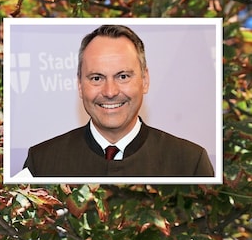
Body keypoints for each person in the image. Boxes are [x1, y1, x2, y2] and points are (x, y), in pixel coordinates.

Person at [22, 25, 214, 177]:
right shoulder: (41, 162)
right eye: (96, 78)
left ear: (145, 81)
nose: (110, 92)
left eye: (122, 76)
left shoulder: (189, 162)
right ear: (80, 85)